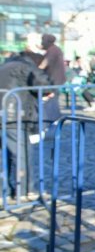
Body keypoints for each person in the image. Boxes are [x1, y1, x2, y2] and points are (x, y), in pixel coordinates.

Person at [0, 48, 59, 200]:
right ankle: (25, 191)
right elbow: (43, 83)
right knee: (22, 154)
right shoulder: (26, 66)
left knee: (3, 155)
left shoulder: (6, 65)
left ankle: (3, 191)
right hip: (15, 116)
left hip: (4, 113)